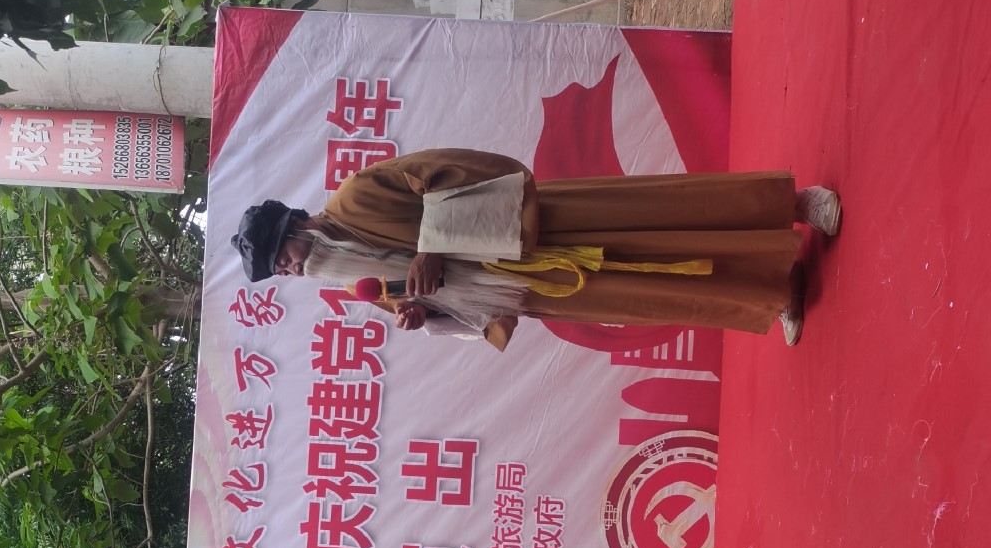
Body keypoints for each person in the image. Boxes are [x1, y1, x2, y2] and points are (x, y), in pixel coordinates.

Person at [231, 149, 842, 350]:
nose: (288, 268)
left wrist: (433, 246)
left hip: (542, 230)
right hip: (530, 284)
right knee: (653, 295)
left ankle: (793, 204)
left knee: (665, 213)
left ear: (296, 224)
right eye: (280, 271)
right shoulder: (354, 283)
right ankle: (771, 290)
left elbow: (450, 169)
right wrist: (424, 314)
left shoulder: (358, 195)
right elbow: (448, 310)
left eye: (281, 254)